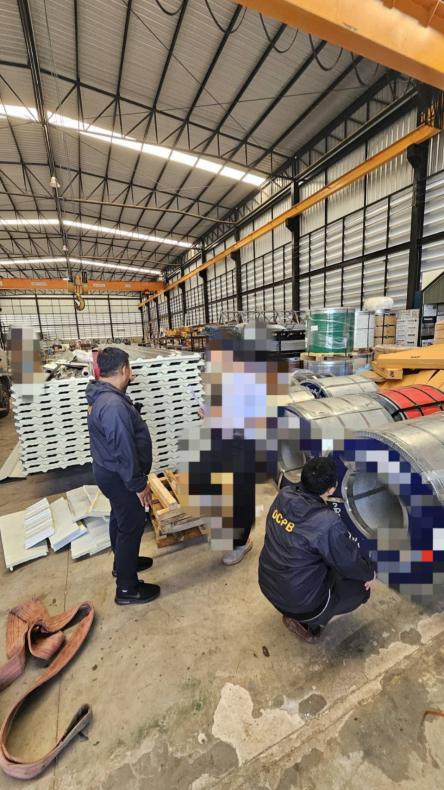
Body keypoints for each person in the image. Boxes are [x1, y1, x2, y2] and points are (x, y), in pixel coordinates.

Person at [259, 456, 375, 642]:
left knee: (313, 557)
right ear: (331, 489)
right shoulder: (327, 524)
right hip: (301, 604)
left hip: (267, 583)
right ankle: (309, 624)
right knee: (361, 590)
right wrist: (368, 573)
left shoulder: (284, 495)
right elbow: (349, 562)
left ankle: (297, 611)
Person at [86, 347, 160, 606]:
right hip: (119, 475)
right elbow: (124, 449)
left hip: (109, 471)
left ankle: (122, 564)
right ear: (124, 369)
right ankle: (127, 588)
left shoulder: (102, 396)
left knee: (119, 517)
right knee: (132, 524)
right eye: (130, 369)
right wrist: (138, 484)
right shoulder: (113, 405)